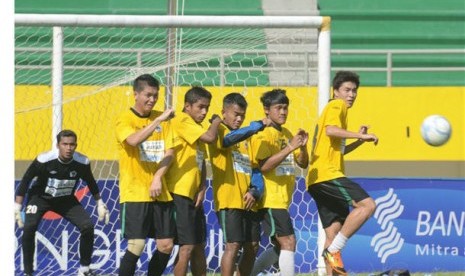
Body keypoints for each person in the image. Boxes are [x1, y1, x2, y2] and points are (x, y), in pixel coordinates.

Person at [306, 71, 378, 275]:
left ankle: (332, 255)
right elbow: (330, 130)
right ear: (335, 91)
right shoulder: (336, 106)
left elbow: (339, 148)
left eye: (355, 91)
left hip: (315, 179)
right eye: (347, 90)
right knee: (367, 205)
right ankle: (334, 250)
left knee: (332, 233)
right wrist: (358, 134)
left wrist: (358, 140)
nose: (352, 94)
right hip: (327, 174)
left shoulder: (336, 111)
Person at [14, 129, 110, 276]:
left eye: (72, 144)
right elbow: (26, 179)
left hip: (66, 199)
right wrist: (17, 206)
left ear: (76, 146)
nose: (68, 148)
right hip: (40, 198)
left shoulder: (82, 162)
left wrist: (99, 203)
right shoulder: (43, 160)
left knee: (87, 226)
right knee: (29, 228)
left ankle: (84, 270)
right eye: (65, 144)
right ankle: (28, 272)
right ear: (58, 145)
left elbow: (90, 182)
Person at [115, 74, 176, 276]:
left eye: (155, 95)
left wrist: (158, 177)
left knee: (166, 245)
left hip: (160, 192)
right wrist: (157, 119)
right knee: (136, 245)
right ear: (136, 94)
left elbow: (170, 152)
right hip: (135, 193)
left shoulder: (165, 121)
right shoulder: (124, 119)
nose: (152, 99)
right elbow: (133, 141)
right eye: (148, 95)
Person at [208, 93, 272, 276]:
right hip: (229, 200)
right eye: (235, 114)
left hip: (248, 201)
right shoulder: (218, 130)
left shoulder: (247, 138)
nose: (238, 119)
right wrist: (255, 125)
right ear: (223, 113)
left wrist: (255, 191)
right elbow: (229, 140)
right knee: (233, 245)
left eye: (242, 116)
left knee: (252, 246)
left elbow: (255, 169)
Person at [249, 89, 309, 276]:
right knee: (288, 242)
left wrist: (303, 146)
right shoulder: (263, 134)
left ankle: (248, 273)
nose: (283, 112)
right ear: (267, 110)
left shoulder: (286, 133)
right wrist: (291, 146)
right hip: (270, 199)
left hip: (282, 200)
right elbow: (264, 166)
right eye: (278, 108)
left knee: (280, 246)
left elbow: (303, 163)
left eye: (285, 108)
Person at [164, 86, 222, 276]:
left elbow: (201, 162)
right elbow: (210, 137)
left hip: (193, 194)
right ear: (187, 106)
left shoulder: (195, 127)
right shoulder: (182, 120)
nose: (204, 112)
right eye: (200, 107)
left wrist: (203, 186)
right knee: (186, 247)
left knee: (198, 245)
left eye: (207, 108)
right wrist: (216, 121)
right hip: (179, 192)